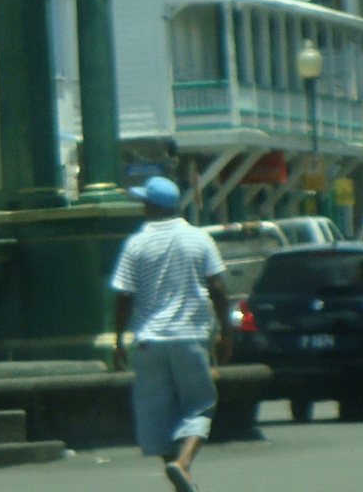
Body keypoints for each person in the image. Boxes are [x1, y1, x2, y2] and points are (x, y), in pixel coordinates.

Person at [111, 176, 231, 492]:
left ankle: (178, 474)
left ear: (151, 206)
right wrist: (226, 333)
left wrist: (118, 340)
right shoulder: (199, 238)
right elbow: (217, 288)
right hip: (190, 337)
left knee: (157, 418)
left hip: (150, 341)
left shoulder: (136, 243)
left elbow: (124, 296)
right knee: (200, 406)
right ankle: (184, 464)